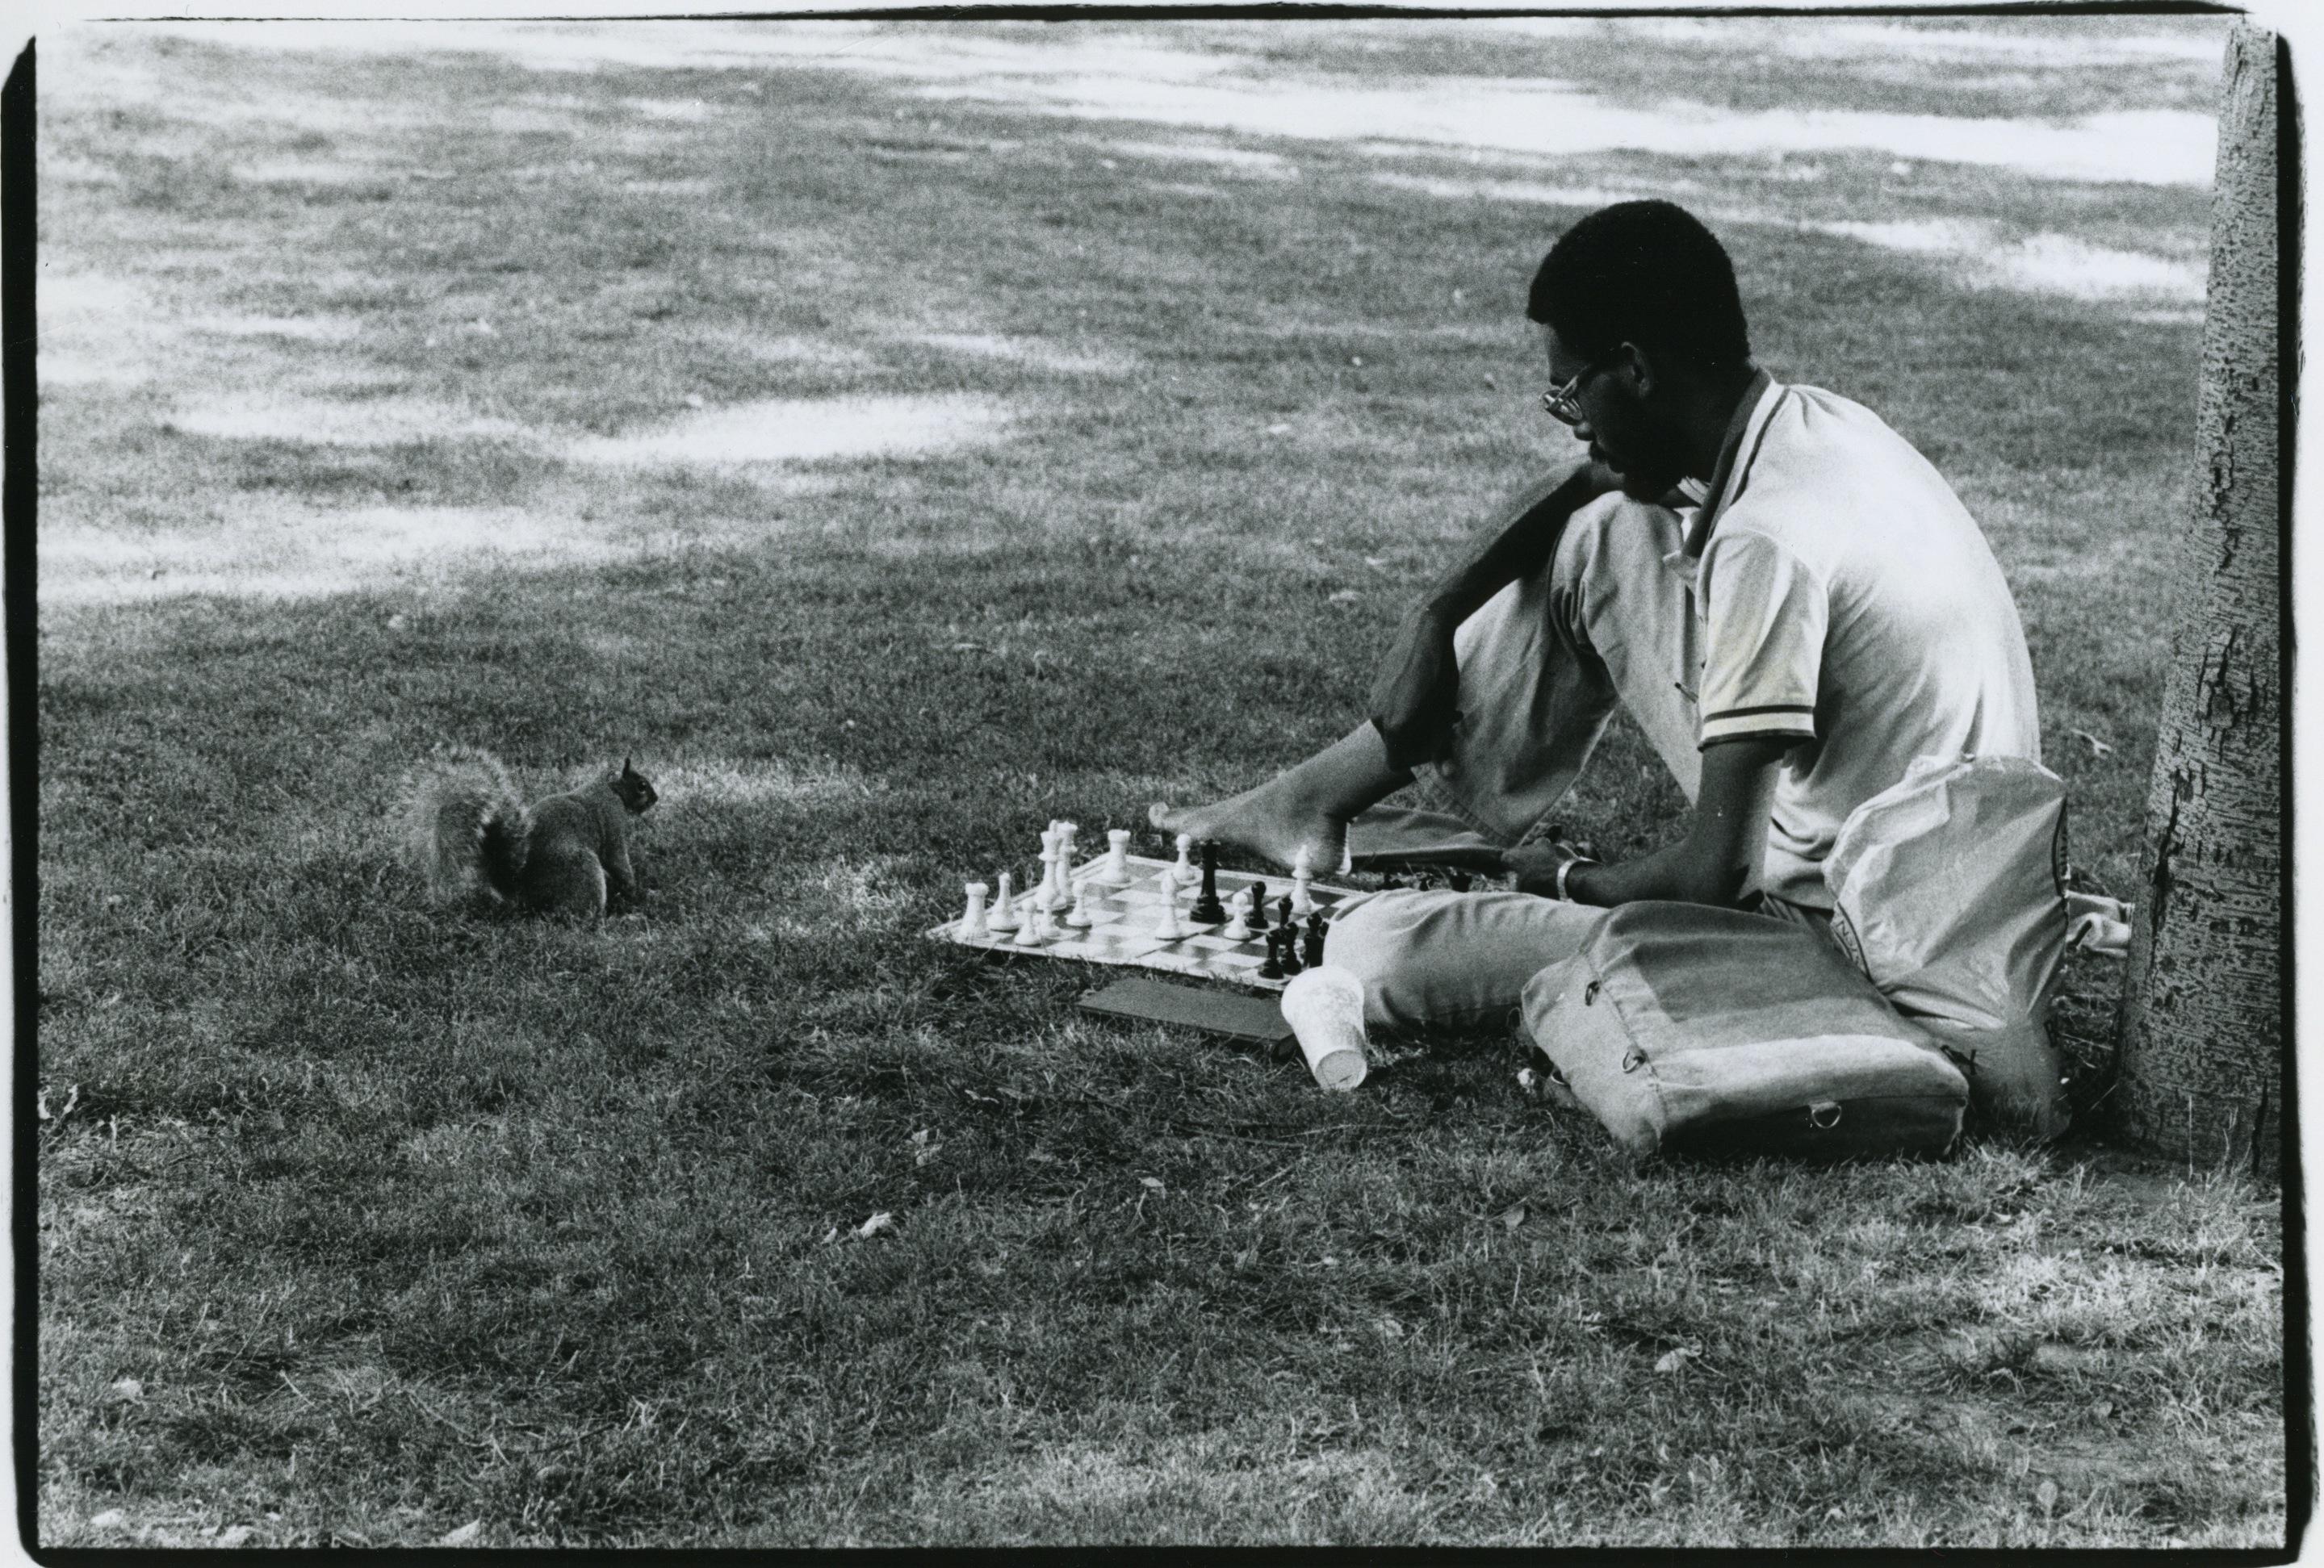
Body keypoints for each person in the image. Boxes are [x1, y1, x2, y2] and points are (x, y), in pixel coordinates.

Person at [1151, 199, 2041, 1031]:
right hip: (1930, 863)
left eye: (1569, 396)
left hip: (1858, 933)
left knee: (1384, 948)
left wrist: (1571, 879)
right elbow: (1593, 483)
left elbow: (1714, 876)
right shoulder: (1805, 426)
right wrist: (1437, 610)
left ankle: (1414, 856)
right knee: (1603, 534)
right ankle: (1315, 802)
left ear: (1635, 368)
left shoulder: (1765, 540)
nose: (1571, 426)